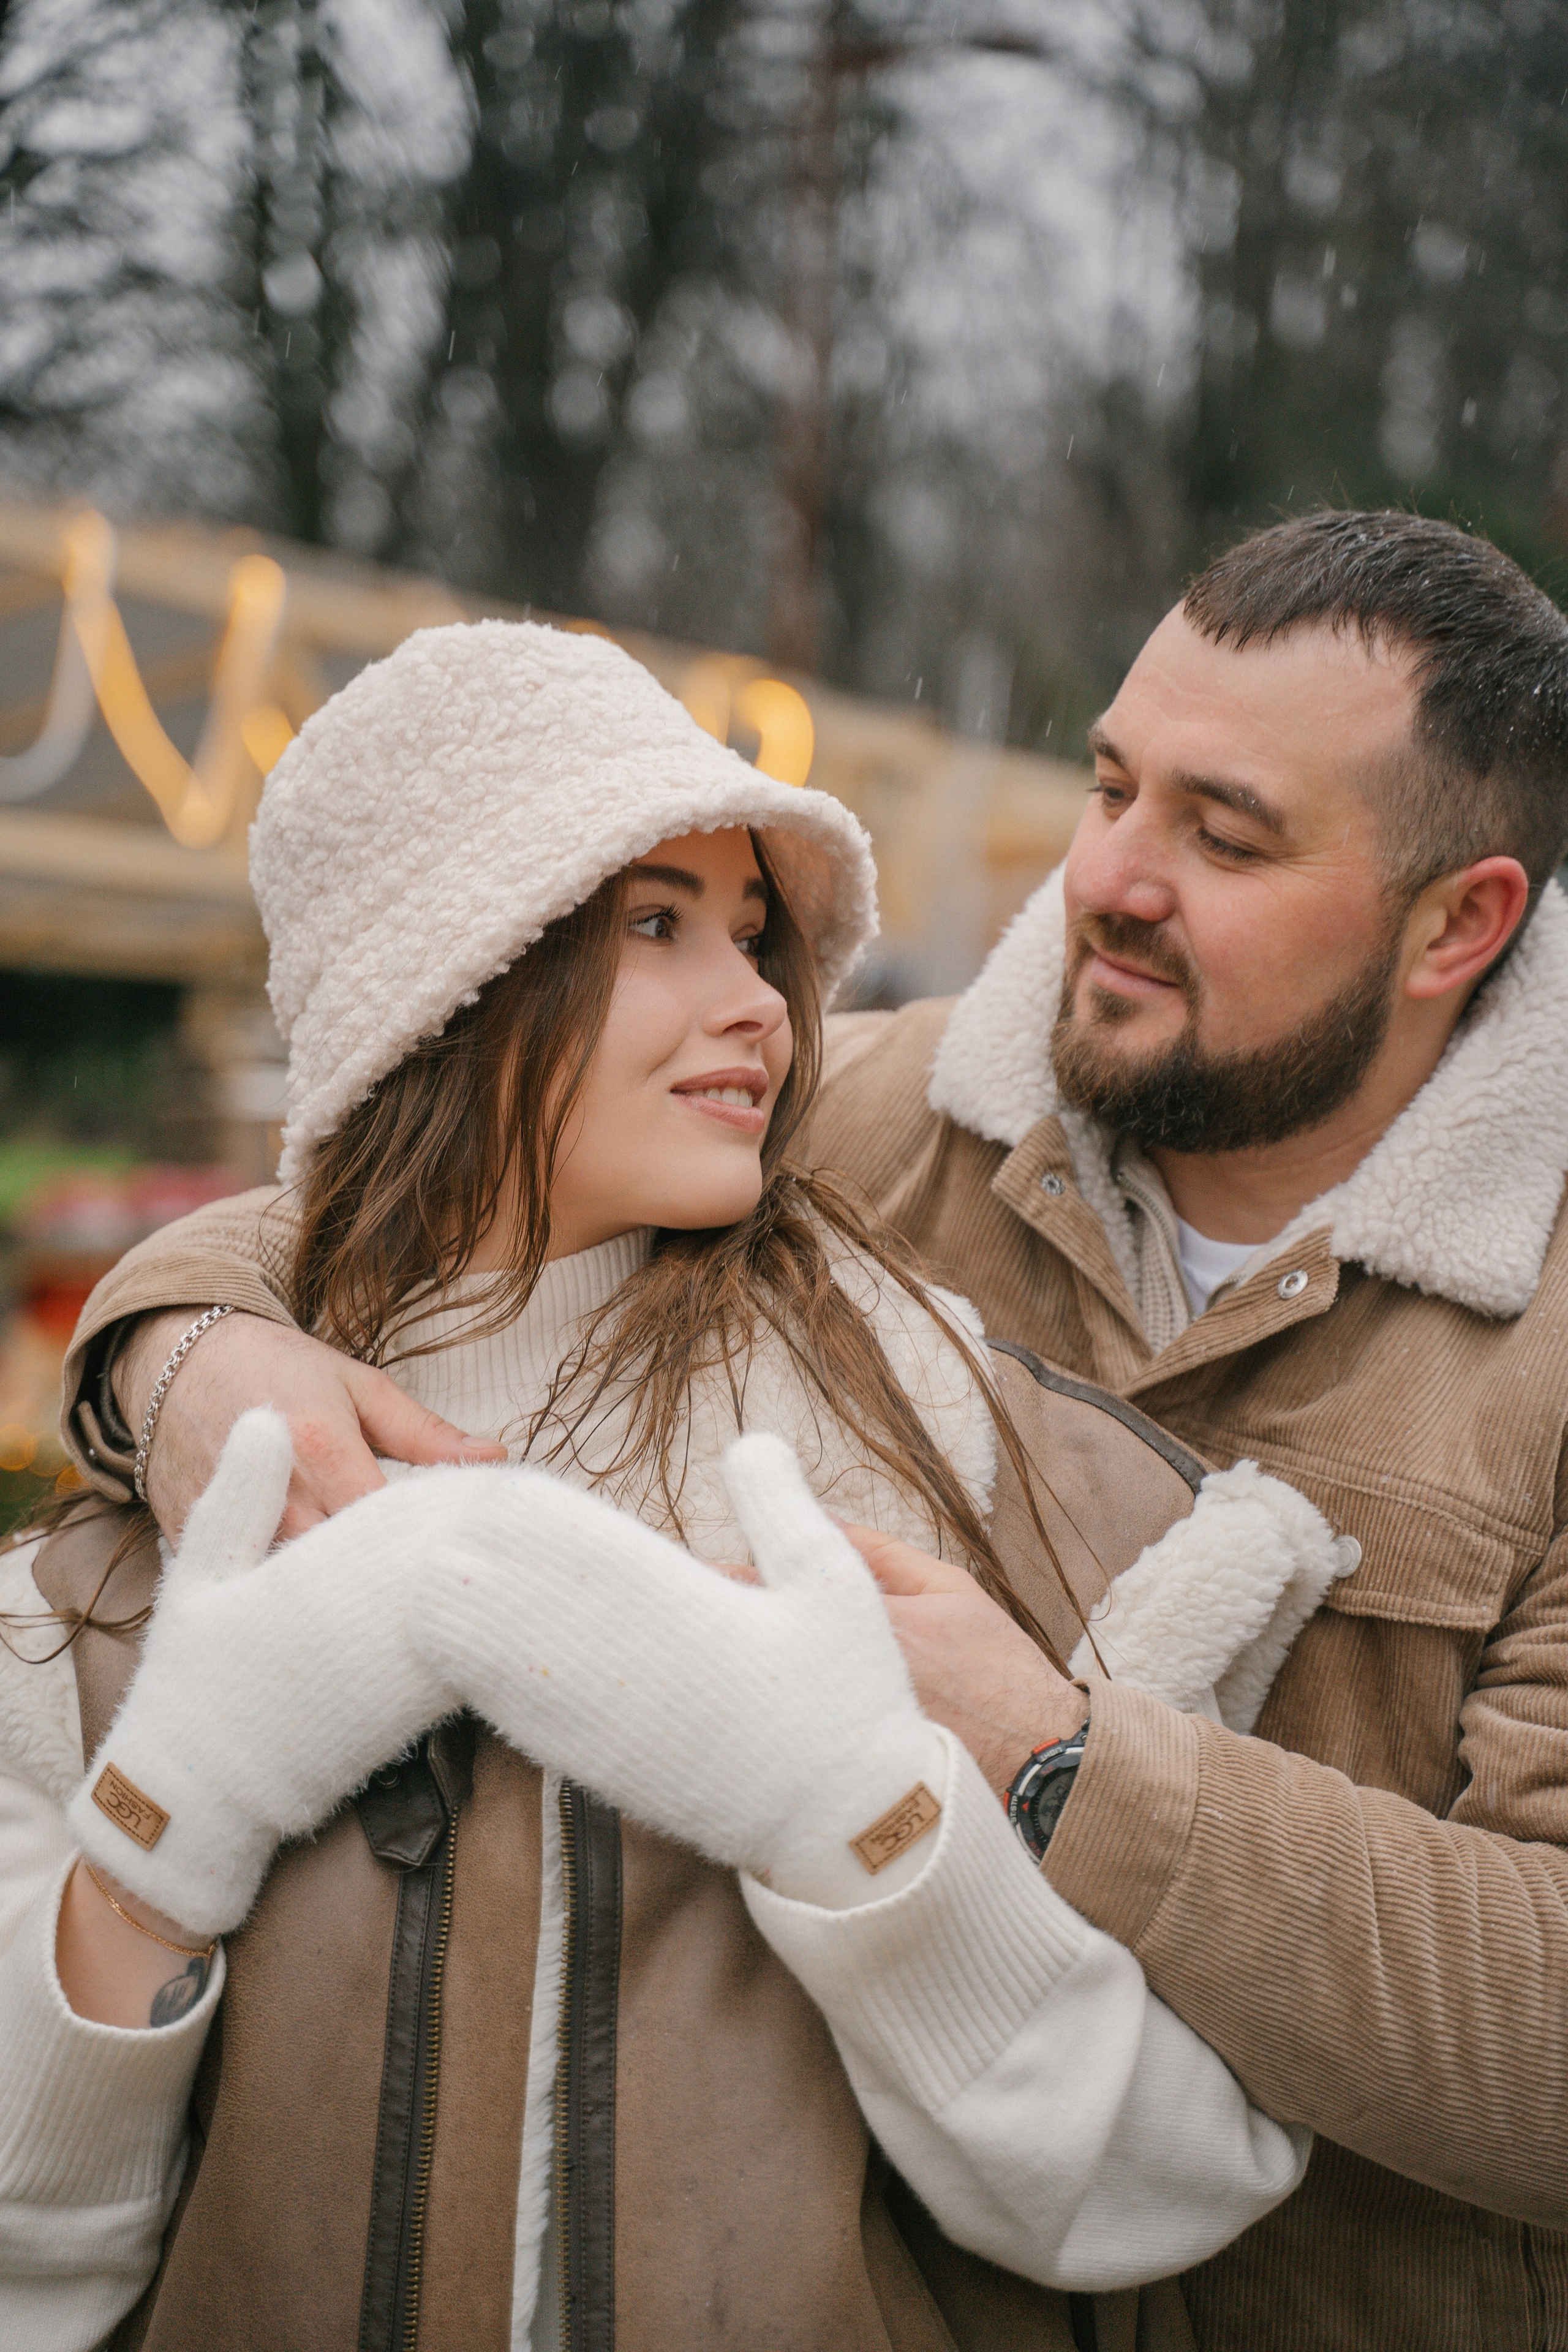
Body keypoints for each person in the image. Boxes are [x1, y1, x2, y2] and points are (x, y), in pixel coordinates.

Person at [78, 511, 1568, 2351]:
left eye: (1225, 834)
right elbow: (440, 1148)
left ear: (1463, 923)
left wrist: (1044, 1756)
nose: (1108, 876)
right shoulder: (866, 1109)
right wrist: (192, 1342)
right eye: (1113, 786)